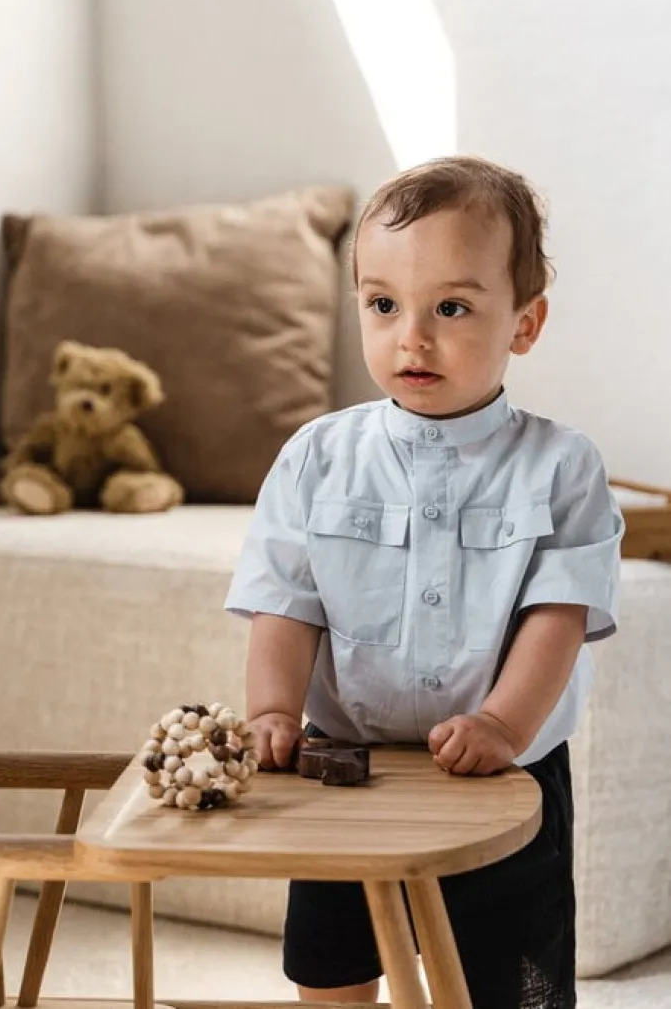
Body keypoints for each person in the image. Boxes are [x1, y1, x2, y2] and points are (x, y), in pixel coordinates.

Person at [224, 156, 624, 1009]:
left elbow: (558, 615)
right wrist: (270, 710)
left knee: (507, 979)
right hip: (344, 766)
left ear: (524, 322)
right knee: (330, 965)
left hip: (502, 778)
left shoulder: (561, 466)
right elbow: (286, 601)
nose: (412, 337)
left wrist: (501, 722)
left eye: (451, 307)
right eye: (383, 305)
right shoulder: (316, 457)